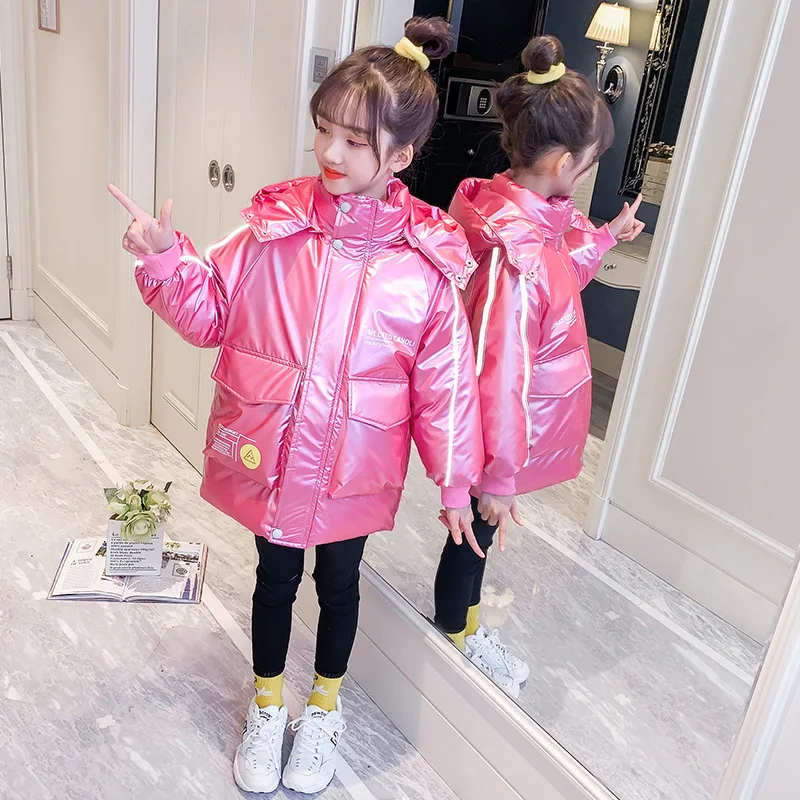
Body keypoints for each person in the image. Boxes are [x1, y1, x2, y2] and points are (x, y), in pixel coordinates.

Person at [109, 17, 484, 795]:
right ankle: (268, 701)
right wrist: (167, 258)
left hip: (356, 465)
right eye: (324, 130)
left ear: (402, 155)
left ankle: (324, 708)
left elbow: (446, 383)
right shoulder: (272, 230)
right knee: (273, 579)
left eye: (354, 140)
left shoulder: (425, 264)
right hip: (273, 451)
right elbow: (211, 314)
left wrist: (456, 481)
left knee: (340, 585)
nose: (330, 152)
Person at [433, 34, 644, 698]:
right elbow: (499, 374)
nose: (584, 178)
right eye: (587, 166)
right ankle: (458, 632)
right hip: (491, 435)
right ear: (559, 162)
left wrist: (604, 238)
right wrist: (499, 475)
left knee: (475, 537)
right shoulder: (514, 254)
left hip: (499, 435)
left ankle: (462, 622)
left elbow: (558, 278)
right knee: (472, 539)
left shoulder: (526, 222)